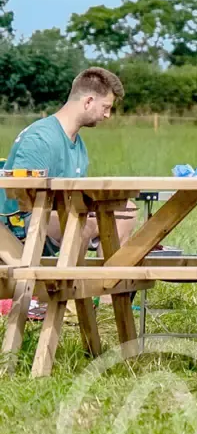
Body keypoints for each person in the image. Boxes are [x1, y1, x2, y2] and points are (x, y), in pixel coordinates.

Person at [3, 69, 134, 289]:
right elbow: (20, 195)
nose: (107, 115)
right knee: (81, 221)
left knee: (125, 211)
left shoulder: (77, 143)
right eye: (106, 107)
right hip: (22, 225)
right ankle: (66, 297)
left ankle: (106, 297)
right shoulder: (40, 138)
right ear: (88, 101)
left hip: (60, 214)